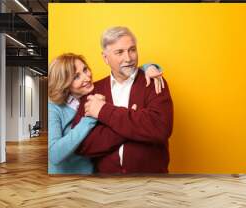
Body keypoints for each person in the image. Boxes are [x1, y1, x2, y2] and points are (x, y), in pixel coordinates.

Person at [73, 26, 174, 173]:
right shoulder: (92, 91)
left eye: (132, 50)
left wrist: (103, 111)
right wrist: (134, 127)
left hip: (151, 183)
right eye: (119, 52)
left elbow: (160, 128)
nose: (128, 58)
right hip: (106, 187)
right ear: (105, 58)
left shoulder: (154, 82)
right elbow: (81, 144)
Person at [48, 53, 163, 174]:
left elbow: (120, 77)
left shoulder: (94, 93)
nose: (86, 78)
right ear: (64, 84)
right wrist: (90, 117)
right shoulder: (54, 108)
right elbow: (54, 154)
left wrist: (148, 67)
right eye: (76, 77)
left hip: (92, 176)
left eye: (85, 69)